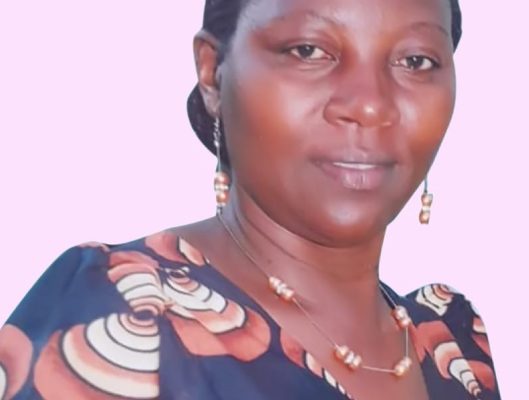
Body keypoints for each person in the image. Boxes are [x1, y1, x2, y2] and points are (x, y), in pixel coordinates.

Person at [0, 0, 501, 399]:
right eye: (308, 50)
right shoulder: (121, 311)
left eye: (416, 61)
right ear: (212, 73)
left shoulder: (451, 347)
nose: (369, 104)